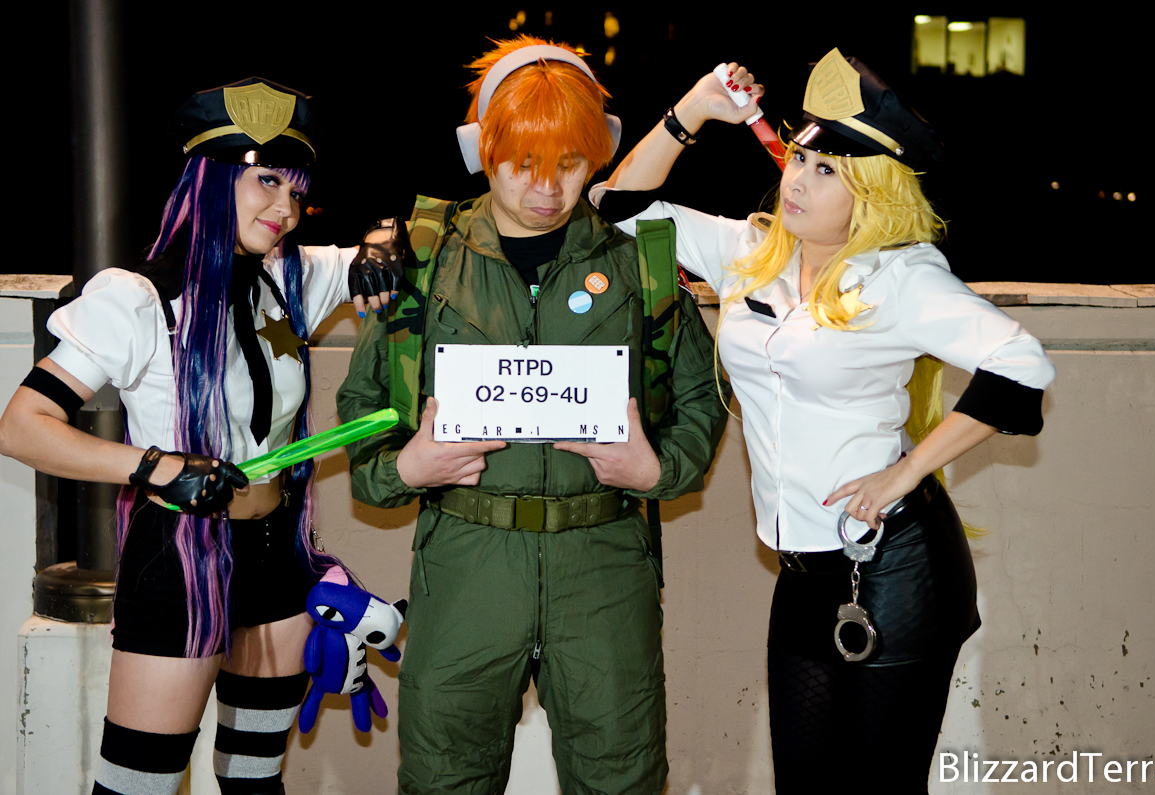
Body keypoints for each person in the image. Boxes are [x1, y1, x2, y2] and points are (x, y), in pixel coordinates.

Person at [593, 51, 1056, 791]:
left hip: (895, 568)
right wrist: (694, 110)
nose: (797, 180)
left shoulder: (902, 278)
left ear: (871, 194)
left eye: (826, 170)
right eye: (799, 159)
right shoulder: (752, 252)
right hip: (803, 574)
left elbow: (1022, 366)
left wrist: (906, 472)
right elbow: (618, 209)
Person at [335, 36, 727, 794]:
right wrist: (403, 468)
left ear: (596, 156)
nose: (548, 188)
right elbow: (363, 410)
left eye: (570, 164)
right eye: (524, 164)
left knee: (621, 776)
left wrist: (658, 470)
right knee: (445, 776)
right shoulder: (425, 263)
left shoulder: (640, 263)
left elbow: (701, 394)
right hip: (466, 566)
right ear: (485, 152)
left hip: (604, 566)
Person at [0, 78, 393, 795]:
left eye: (297, 192)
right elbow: (22, 426)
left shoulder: (293, 277)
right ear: (211, 179)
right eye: (266, 180)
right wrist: (155, 466)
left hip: (278, 554)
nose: (285, 209)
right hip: (180, 558)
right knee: (138, 786)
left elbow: (425, 233)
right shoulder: (138, 298)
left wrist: (382, 240)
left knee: (254, 781)